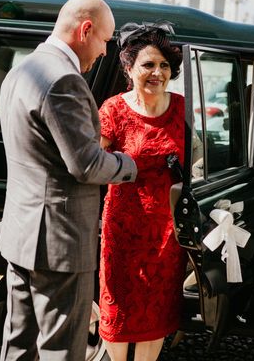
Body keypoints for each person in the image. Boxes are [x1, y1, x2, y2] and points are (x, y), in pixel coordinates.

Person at [0, 0, 137, 361]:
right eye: (106, 41)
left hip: (20, 234)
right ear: (86, 29)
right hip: (59, 243)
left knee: (17, 344)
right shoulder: (64, 80)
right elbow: (88, 165)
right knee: (62, 350)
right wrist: (129, 163)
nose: (106, 52)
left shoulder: (22, 69)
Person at [98, 21, 186, 361]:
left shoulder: (180, 107)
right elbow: (91, 164)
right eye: (148, 64)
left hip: (167, 233)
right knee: (119, 313)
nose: (157, 72)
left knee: (156, 315)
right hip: (123, 232)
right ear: (129, 67)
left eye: (164, 65)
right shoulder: (113, 110)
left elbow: (196, 159)